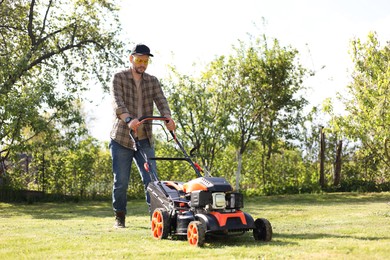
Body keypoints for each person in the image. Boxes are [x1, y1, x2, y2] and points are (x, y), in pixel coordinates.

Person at [109, 43, 175, 228]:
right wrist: (129, 119)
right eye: (139, 60)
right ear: (131, 59)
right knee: (121, 182)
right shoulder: (119, 77)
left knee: (152, 180)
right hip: (122, 138)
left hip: (144, 137)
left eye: (145, 61)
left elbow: (161, 100)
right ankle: (119, 217)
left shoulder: (152, 81)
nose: (142, 64)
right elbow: (116, 101)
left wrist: (168, 118)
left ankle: (156, 219)